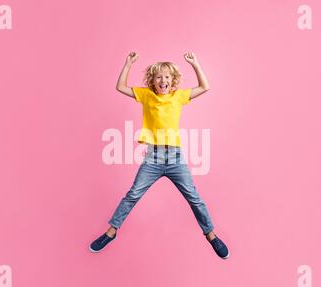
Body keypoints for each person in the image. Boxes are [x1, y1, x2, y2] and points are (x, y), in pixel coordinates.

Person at [90, 52, 229, 259]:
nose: (163, 81)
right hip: (152, 158)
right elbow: (120, 87)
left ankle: (211, 234)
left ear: (172, 81)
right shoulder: (146, 95)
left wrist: (195, 64)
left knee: (194, 197)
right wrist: (128, 63)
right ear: (152, 81)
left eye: (167, 77)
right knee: (133, 194)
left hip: (175, 158)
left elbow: (204, 87)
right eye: (158, 77)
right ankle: (112, 231)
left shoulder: (178, 96)